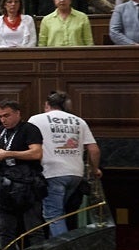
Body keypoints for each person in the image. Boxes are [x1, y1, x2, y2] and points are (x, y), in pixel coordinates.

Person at [31, 91, 101, 235]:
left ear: (47, 105)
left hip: (52, 172)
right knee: (60, 213)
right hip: (75, 173)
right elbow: (94, 150)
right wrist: (95, 170)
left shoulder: (36, 119)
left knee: (53, 216)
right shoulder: (79, 121)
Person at [0, 98, 47, 245]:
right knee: (5, 230)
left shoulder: (29, 129)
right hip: (5, 183)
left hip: (28, 184)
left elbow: (36, 153)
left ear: (17, 113)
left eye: (6, 115)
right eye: (0, 116)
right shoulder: (1, 131)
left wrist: (9, 153)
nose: (3, 120)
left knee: (33, 229)